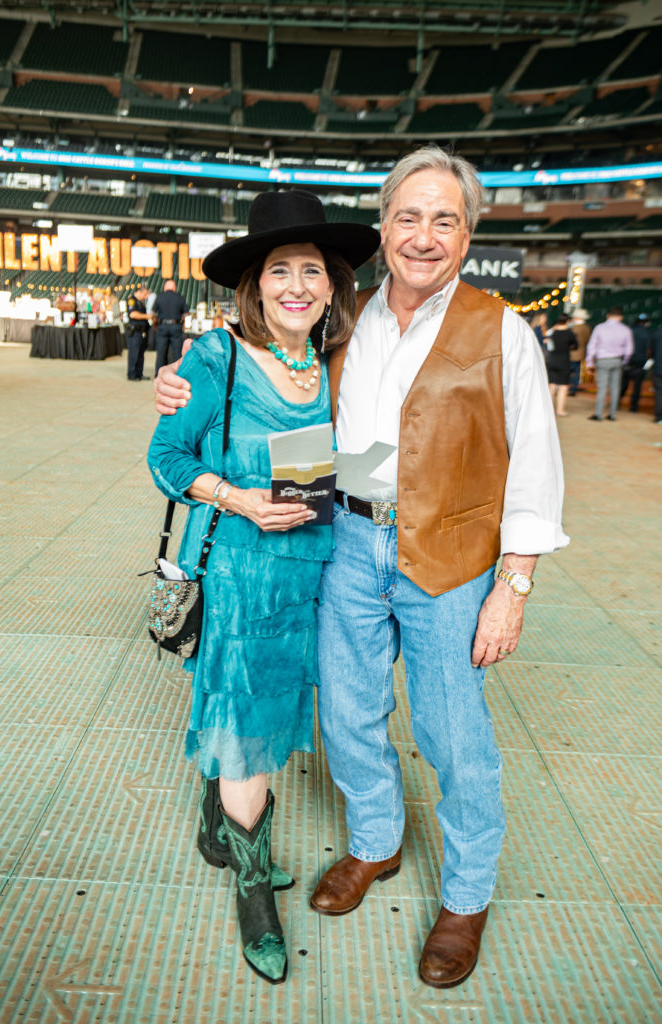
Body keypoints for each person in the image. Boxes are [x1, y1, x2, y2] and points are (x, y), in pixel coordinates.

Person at [155, 147, 568, 990]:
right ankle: (376, 842)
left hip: (450, 556)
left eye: (445, 219)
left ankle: (466, 896)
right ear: (383, 230)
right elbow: (310, 423)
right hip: (345, 540)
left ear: (467, 234)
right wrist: (181, 380)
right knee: (346, 717)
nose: (424, 235)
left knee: (454, 737)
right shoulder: (345, 326)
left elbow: (535, 463)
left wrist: (514, 585)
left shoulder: (503, 330)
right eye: (408, 217)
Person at [147, 189, 380, 985]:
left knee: (266, 709)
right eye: (280, 270)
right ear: (255, 284)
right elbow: (167, 461)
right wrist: (241, 498)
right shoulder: (216, 358)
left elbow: (340, 469)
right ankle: (254, 891)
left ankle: (220, 827)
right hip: (239, 573)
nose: (296, 286)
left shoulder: (332, 365)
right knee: (247, 718)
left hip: (311, 570)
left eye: (312, 271)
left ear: (333, 284)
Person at [585, 306, 634, 421]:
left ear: (608, 315)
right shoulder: (626, 330)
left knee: (602, 388)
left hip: (602, 360)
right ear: (621, 317)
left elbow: (592, 346)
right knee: (615, 388)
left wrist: (589, 362)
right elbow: (629, 350)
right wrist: (625, 361)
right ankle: (612, 414)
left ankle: (598, 414)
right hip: (617, 360)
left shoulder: (599, 328)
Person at [153, 280, 190, 375]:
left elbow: (153, 312)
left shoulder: (159, 296)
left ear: (165, 287)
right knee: (177, 352)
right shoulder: (180, 297)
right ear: (174, 288)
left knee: (161, 352)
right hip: (176, 326)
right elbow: (186, 313)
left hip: (162, 326)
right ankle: (176, 374)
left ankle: (159, 374)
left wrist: (156, 325)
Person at [545, 312, 577, 416]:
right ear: (568, 321)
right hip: (563, 361)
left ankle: (548, 410)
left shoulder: (552, 332)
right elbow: (575, 345)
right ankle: (560, 410)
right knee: (563, 386)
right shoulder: (569, 333)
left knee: (551, 385)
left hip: (551, 360)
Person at [621, 314, 651, 412]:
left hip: (627, 362)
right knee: (637, 387)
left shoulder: (629, 330)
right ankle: (634, 407)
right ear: (646, 322)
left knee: (623, 385)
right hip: (640, 363)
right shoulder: (648, 333)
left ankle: (616, 402)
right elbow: (649, 350)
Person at [126, 284, 152, 380]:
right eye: (145, 294)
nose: (145, 297)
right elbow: (133, 314)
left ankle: (139, 373)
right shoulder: (131, 300)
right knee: (134, 353)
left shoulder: (141, 302)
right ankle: (132, 374)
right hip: (134, 332)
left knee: (141, 353)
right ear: (139, 292)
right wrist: (147, 316)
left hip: (142, 332)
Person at [568, 308, 591, 395]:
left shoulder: (574, 328)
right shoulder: (587, 328)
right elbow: (588, 340)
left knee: (569, 371)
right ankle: (574, 388)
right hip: (581, 353)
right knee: (577, 372)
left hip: (571, 353)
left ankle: (567, 387)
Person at [651, 321, 662, 424]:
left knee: (659, 393)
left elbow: (650, 351)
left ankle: (659, 417)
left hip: (658, 368)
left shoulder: (657, 333)